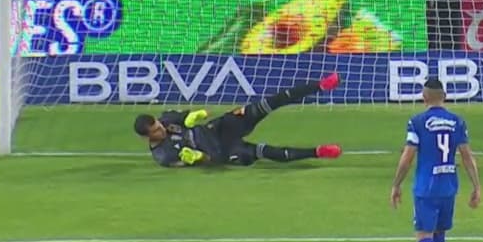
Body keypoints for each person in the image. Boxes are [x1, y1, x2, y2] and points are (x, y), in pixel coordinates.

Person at [389, 77, 482, 242]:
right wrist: (476, 186)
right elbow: (467, 156)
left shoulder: (417, 122)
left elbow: (407, 157)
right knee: (439, 234)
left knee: (423, 236)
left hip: (426, 188)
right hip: (448, 186)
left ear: (424, 98)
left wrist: (396, 184)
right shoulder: (457, 122)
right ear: (445, 97)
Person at [133, 72, 343, 168]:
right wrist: (198, 158)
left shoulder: (166, 119)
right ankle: (318, 152)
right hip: (222, 152)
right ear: (147, 137)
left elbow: (187, 116)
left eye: (159, 125)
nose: (161, 129)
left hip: (217, 128)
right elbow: (209, 162)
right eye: (156, 131)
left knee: (266, 104)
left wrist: (193, 115)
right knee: (265, 151)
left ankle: (321, 85)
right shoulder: (163, 156)